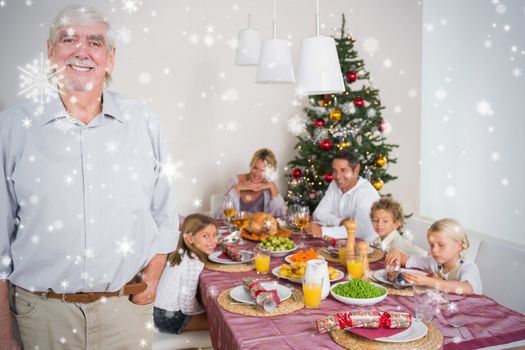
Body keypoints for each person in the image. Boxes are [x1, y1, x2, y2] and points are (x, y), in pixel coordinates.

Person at [0, 5, 178, 349]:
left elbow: (166, 216)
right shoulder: (11, 127)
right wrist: (3, 332)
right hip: (40, 316)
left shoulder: (144, 122)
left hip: (125, 312)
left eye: (94, 42)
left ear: (110, 58)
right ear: (50, 51)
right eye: (69, 40)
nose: (82, 51)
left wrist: (151, 282)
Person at [154, 214, 218, 334]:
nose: (213, 240)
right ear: (189, 238)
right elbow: (187, 302)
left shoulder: (182, 251)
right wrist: (203, 310)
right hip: (169, 317)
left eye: (215, 235)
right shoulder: (193, 261)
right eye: (205, 236)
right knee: (219, 323)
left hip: (158, 310)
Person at [385, 218, 482, 295]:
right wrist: (396, 252)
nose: (434, 250)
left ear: (459, 245)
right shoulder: (434, 262)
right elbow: (407, 260)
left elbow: (467, 288)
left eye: (441, 245)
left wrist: (428, 281)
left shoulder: (468, 267)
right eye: (431, 245)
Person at [305, 150, 379, 242]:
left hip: (365, 249)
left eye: (343, 170)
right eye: (335, 171)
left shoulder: (367, 193)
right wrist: (340, 222)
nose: (338, 176)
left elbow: (359, 231)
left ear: (356, 170)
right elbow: (318, 214)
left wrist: (323, 231)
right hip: (339, 245)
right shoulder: (334, 184)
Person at [225, 148, 287, 217]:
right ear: (251, 165)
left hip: (260, 228)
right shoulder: (235, 181)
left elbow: (281, 215)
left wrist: (272, 186)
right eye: (255, 168)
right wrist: (237, 188)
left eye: (262, 170)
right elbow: (222, 215)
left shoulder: (269, 186)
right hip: (237, 227)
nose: (257, 174)